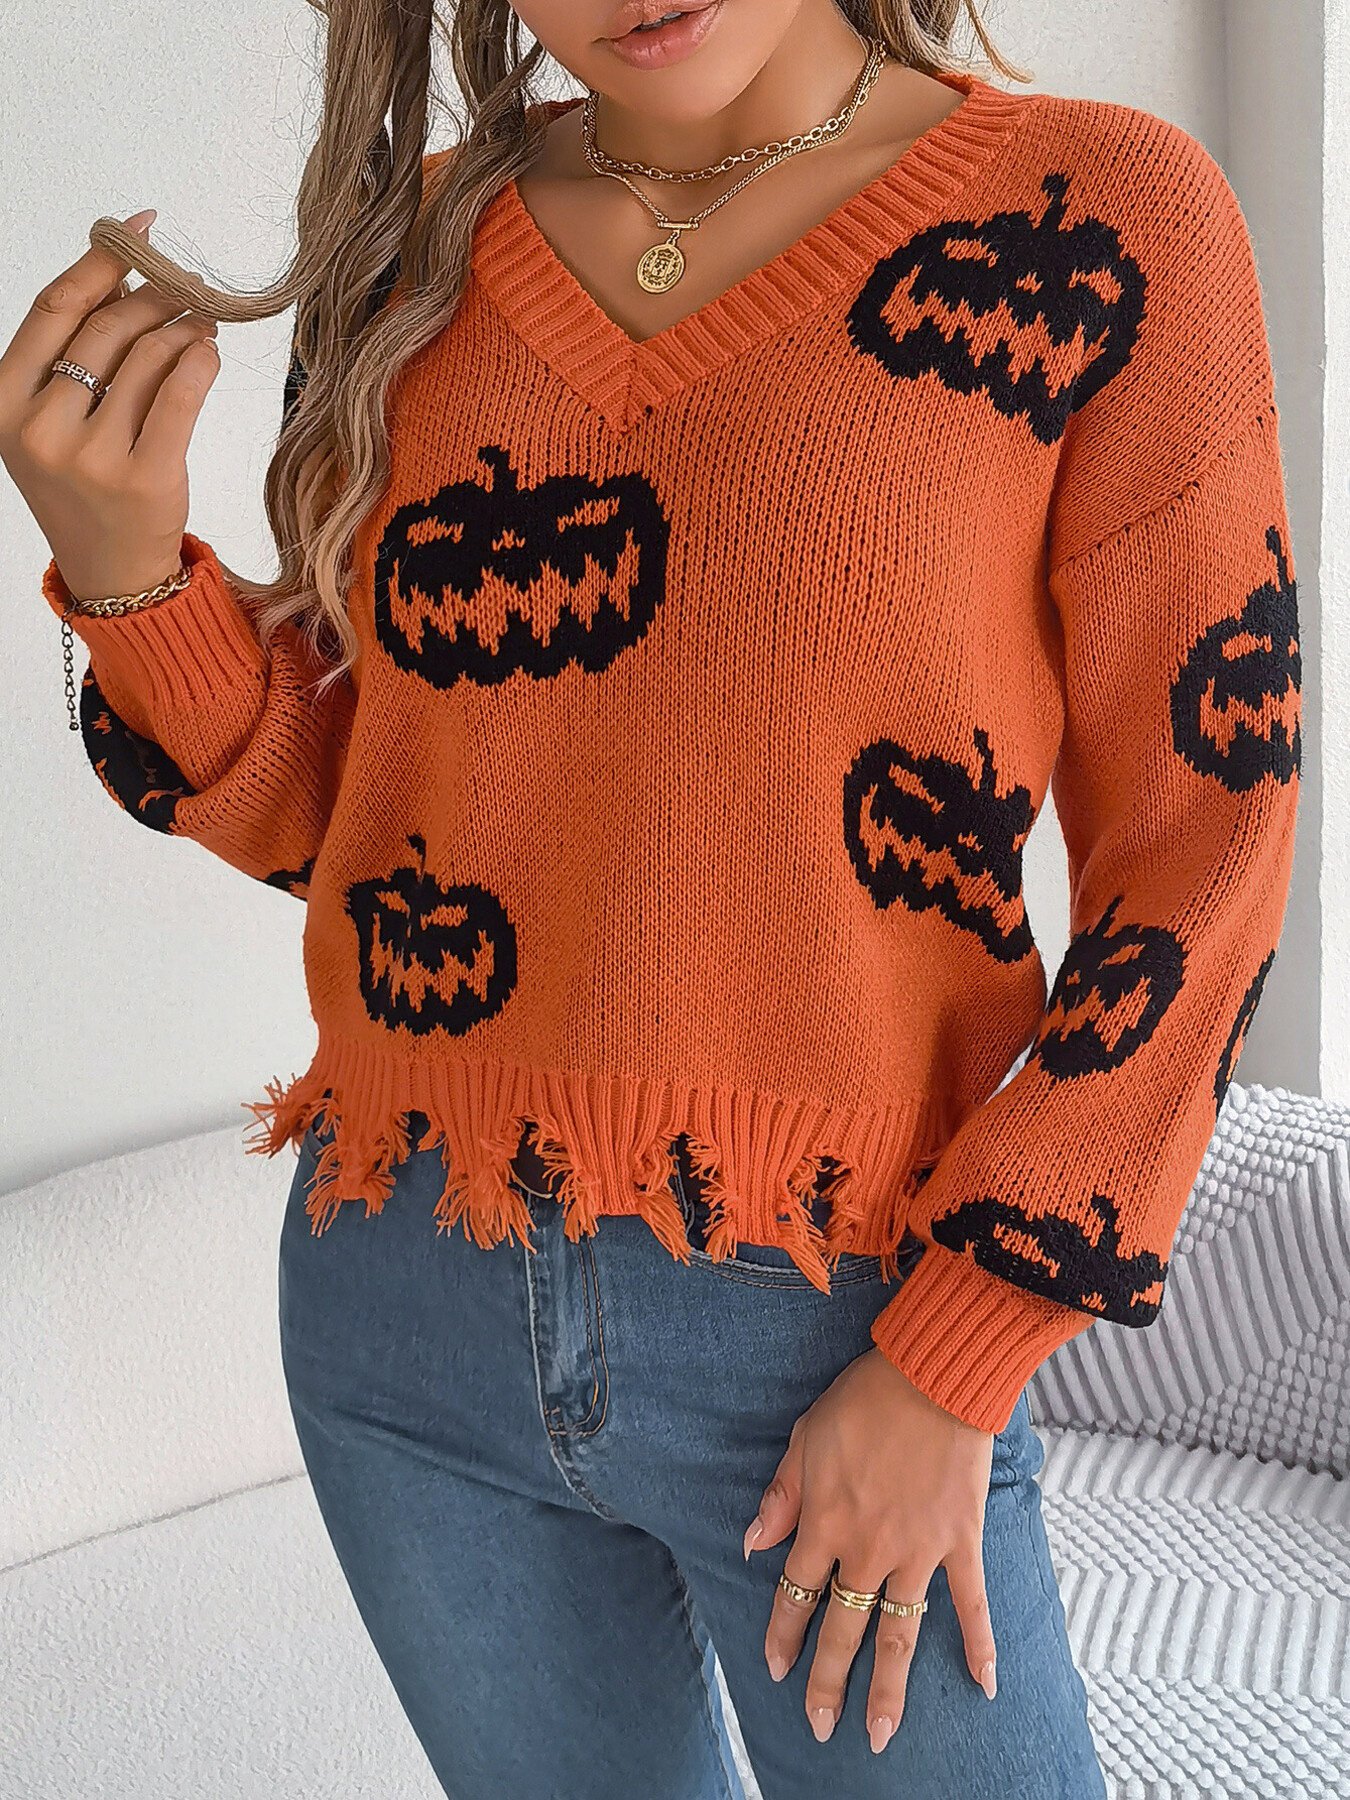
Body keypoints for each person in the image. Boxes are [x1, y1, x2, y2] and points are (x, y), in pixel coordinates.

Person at [1, 1, 1302, 1794]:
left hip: (836, 1316)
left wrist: (952, 1361)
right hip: (404, 1290)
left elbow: (1205, 843)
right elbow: (369, 826)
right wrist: (128, 573)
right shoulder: (413, 252)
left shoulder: (1102, 216)